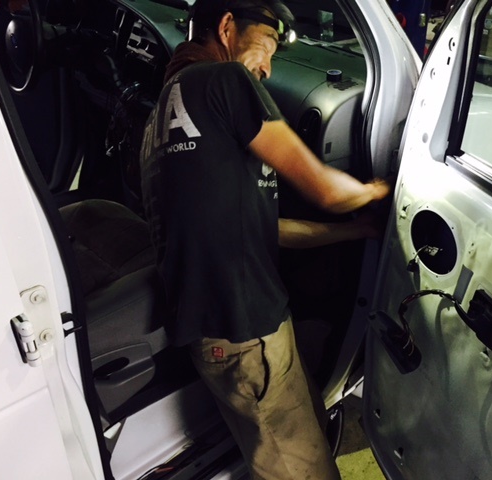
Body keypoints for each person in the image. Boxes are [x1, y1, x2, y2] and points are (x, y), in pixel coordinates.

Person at [139, 1, 390, 478]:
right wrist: (384, 189)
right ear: (227, 27)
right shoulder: (224, 80)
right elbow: (327, 190)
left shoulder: (159, 119)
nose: (268, 68)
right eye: (268, 43)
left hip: (223, 338)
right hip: (248, 333)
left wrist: (354, 231)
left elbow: (260, 230)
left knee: (303, 436)